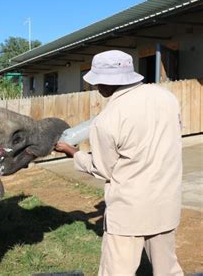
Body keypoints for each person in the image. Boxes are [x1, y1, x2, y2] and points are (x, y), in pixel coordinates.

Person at [54, 50, 183, 275]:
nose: (96, 87)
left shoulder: (107, 119)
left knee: (117, 270)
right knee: (168, 268)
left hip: (129, 210)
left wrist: (73, 152)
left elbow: (103, 168)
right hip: (166, 201)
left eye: (96, 82)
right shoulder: (167, 98)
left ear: (106, 82)